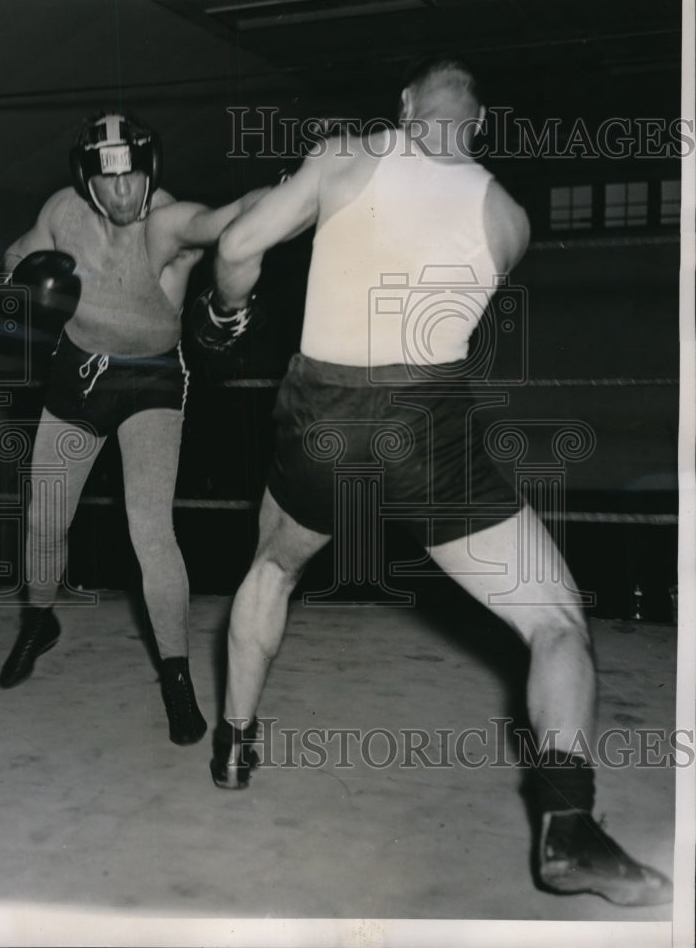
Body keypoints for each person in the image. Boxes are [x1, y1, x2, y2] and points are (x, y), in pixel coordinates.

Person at [198, 60, 673, 906]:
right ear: (479, 124)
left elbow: (235, 248)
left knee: (272, 566)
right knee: (554, 620)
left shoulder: (346, 156)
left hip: (321, 413)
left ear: (404, 105)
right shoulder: (508, 216)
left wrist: (226, 315)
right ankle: (568, 825)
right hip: (425, 428)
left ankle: (234, 745)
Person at [0, 111, 266, 747]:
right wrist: (24, 280)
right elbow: (16, 253)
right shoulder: (62, 212)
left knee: (150, 529)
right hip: (77, 374)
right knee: (44, 518)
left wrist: (300, 187)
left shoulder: (167, 223)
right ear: (87, 180)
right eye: (109, 179)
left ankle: (176, 676)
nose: (124, 191)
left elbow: (230, 217)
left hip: (150, 383)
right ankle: (39, 620)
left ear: (151, 171)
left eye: (134, 176)